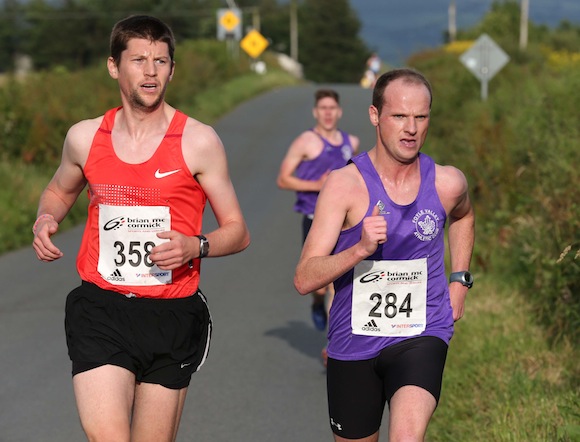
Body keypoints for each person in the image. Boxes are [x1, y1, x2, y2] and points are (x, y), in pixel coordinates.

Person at [32, 15, 250, 441]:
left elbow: (238, 230)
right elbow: (59, 192)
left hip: (171, 313)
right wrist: (46, 218)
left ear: (172, 69)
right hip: (101, 308)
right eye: (138, 60)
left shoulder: (198, 141)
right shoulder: (84, 137)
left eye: (161, 61)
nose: (150, 71)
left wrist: (195, 245)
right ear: (114, 66)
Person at [294, 68, 475, 441]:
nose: (411, 128)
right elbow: (304, 278)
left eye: (420, 117)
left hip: (422, 332)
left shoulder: (447, 182)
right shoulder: (344, 185)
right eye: (399, 116)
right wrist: (359, 249)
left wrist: (459, 280)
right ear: (375, 116)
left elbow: (464, 215)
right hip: (353, 340)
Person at [277, 89, 359, 336]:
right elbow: (283, 179)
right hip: (314, 219)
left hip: (343, 222)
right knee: (320, 285)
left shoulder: (350, 143)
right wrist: (316, 185)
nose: (327, 113)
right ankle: (316, 302)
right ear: (315, 112)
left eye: (331, 108)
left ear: (339, 112)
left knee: (336, 281)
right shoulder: (306, 141)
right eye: (323, 108)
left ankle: (332, 344)